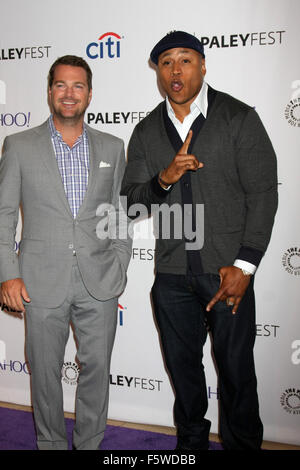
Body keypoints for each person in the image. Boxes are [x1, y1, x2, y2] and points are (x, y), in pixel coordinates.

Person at [121, 31, 278, 450]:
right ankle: (190, 447)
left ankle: (243, 444)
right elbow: (133, 205)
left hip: (227, 271)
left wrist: (245, 266)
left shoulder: (238, 117)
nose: (176, 70)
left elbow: (263, 195)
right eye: (166, 61)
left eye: (185, 59)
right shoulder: (145, 131)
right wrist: (163, 180)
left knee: (236, 372)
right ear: (158, 70)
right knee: (183, 372)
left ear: (203, 65)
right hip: (172, 277)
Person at [0, 55, 132, 450]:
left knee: (97, 370)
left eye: (77, 86)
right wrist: (8, 273)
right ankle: (52, 444)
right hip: (39, 281)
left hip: (100, 280)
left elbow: (121, 212)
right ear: (50, 91)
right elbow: (4, 214)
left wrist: (121, 261)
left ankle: (90, 443)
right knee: (44, 372)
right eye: (61, 85)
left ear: (89, 94)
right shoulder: (19, 145)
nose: (69, 93)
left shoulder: (113, 146)